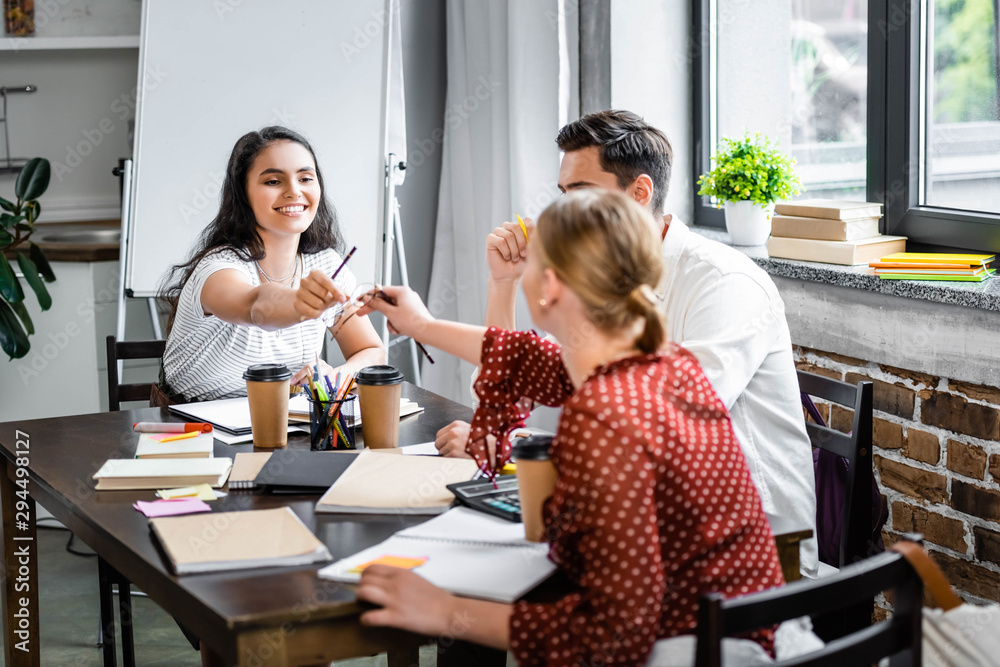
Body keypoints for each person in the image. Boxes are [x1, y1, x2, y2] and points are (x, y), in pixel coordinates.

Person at [356, 190, 786, 666]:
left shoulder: (601, 413)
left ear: (551, 286)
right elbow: (526, 356)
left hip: (694, 649)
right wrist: (420, 324)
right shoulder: (666, 362)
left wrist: (446, 611)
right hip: (746, 630)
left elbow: (614, 637)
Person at [434, 109, 819, 576]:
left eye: (580, 194)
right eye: (562, 197)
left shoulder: (725, 282)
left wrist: (521, 448)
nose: (560, 214)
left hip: (748, 548)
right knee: (475, 563)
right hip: (642, 516)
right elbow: (517, 378)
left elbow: (664, 428)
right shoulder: (604, 277)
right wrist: (505, 284)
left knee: (499, 580)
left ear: (639, 193)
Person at [160, 126, 384, 402]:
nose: (294, 192)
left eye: (305, 178)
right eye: (273, 182)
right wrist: (299, 303)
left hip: (285, 428)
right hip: (197, 430)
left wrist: (338, 376)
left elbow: (372, 352)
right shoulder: (218, 268)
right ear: (244, 195)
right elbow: (255, 306)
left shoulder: (325, 264)